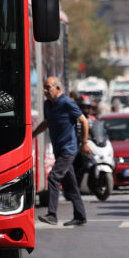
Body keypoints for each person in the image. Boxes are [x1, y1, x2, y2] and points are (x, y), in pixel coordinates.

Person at [33, 77, 89, 227]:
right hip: (59, 150)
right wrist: (32, 135)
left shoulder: (67, 103)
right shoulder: (47, 105)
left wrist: (84, 143)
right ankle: (80, 216)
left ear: (58, 88)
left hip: (68, 150)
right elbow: (46, 122)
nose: (45, 91)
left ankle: (52, 214)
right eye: (44, 88)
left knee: (53, 177)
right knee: (71, 185)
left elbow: (84, 121)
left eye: (48, 87)